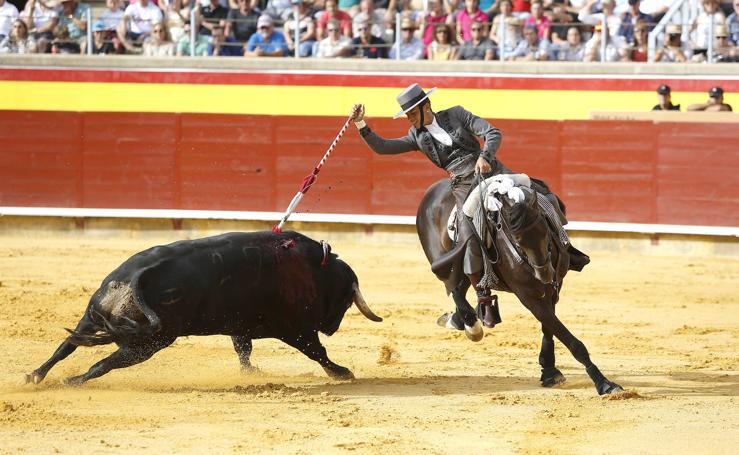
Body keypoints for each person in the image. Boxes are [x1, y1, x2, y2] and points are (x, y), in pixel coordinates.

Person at [349, 84, 506, 314]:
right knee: (467, 228)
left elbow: (492, 133)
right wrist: (361, 124)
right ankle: (483, 296)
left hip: (489, 169)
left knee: (533, 194)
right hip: (462, 183)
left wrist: (485, 155)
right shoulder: (417, 136)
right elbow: (383, 147)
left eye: (412, 113)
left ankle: (564, 249)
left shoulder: (456, 113)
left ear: (427, 106)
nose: (410, 119)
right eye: (407, 115)